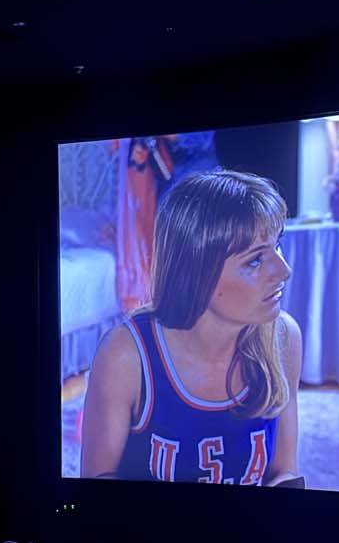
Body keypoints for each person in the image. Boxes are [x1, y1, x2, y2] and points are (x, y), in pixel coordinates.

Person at [81, 170, 303, 485]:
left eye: (277, 246)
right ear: (197, 272)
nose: (284, 270)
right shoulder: (126, 356)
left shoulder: (283, 338)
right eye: (255, 260)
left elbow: (285, 471)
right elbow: (95, 484)